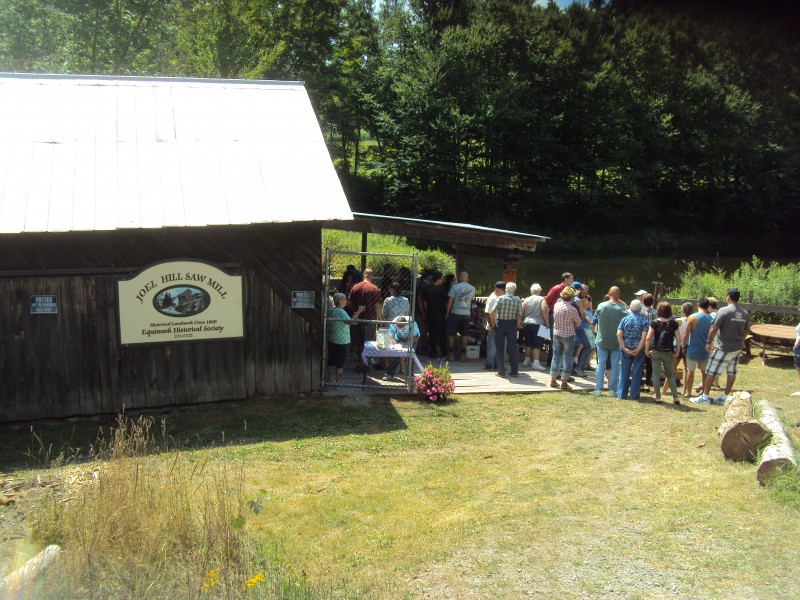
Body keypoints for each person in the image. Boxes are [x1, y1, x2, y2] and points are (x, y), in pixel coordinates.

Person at [691, 288, 750, 405]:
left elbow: (714, 327)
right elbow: (746, 330)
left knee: (710, 371)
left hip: (723, 347)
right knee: (731, 372)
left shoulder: (724, 311)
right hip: (737, 347)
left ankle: (705, 397)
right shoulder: (744, 313)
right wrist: (741, 340)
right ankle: (725, 396)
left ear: (729, 297)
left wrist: (709, 341)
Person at [592, 286, 628, 397]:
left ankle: (598, 389)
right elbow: (629, 309)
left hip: (602, 340)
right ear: (619, 295)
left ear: (609, 293)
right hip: (616, 342)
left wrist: (596, 334)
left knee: (600, 365)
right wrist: (620, 300)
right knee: (615, 366)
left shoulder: (601, 306)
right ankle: (612, 390)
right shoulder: (623, 309)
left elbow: (593, 323)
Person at [646, 301, 682, 404]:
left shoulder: (654, 323)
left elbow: (648, 338)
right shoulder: (674, 324)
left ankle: (658, 397)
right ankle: (675, 397)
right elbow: (678, 339)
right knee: (670, 374)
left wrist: (647, 350)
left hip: (656, 351)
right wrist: (677, 352)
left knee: (656, 374)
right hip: (668, 352)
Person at [348, 268, 383, 372]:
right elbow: (377, 305)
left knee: (358, 342)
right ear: (372, 276)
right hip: (369, 319)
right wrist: (380, 319)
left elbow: (350, 303)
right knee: (367, 342)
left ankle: (360, 362)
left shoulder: (355, 287)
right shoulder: (374, 289)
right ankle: (364, 363)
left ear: (364, 275)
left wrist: (354, 314)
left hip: (357, 319)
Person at [327, 293, 364, 386]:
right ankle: (338, 382)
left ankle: (330, 380)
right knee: (340, 361)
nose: (346, 301)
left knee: (331, 359)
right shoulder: (341, 312)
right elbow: (351, 322)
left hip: (332, 338)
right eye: (344, 299)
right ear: (340, 301)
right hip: (341, 340)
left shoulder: (330, 310)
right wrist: (358, 312)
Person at [616, 300, 649, 400]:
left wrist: (624, 348)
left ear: (630, 308)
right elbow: (644, 337)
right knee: (637, 372)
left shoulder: (624, 319)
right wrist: (638, 349)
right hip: (638, 350)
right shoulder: (644, 321)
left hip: (626, 349)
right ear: (640, 309)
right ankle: (634, 395)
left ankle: (622, 394)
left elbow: (619, 334)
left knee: (624, 372)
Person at [549, 286, 580, 390]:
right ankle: (564, 381)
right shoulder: (572, 309)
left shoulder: (557, 305)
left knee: (556, 356)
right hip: (568, 334)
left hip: (556, 333)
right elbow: (578, 322)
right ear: (571, 297)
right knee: (567, 357)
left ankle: (553, 379)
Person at [682, 298, 713, 401]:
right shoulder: (711, 318)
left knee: (690, 370)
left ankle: (688, 392)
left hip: (693, 348)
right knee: (704, 372)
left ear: (698, 304)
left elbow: (686, 334)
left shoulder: (692, 317)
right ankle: (704, 391)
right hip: (705, 349)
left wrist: (684, 346)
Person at [490, 281, 522, 378]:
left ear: (506, 289)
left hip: (500, 323)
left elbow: (492, 312)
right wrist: (518, 324)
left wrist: (493, 324)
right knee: (512, 348)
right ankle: (514, 371)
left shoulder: (500, 298)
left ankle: (501, 371)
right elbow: (519, 315)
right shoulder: (517, 299)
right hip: (512, 324)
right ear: (514, 290)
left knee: (499, 348)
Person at [446, 271, 476, 361]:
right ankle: (463, 355)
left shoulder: (454, 287)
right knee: (465, 334)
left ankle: (451, 355)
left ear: (461, 277)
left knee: (451, 334)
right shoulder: (472, 288)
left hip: (455, 313)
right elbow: (470, 300)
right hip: (466, 314)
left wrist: (447, 313)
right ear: (467, 278)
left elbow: (450, 301)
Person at [545, 272, 574, 366]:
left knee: (562, 339)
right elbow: (547, 300)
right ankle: (551, 362)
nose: (572, 280)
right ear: (565, 279)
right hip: (554, 315)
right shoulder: (557, 288)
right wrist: (553, 310)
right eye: (571, 278)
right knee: (555, 339)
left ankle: (558, 364)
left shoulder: (570, 290)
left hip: (565, 316)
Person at [521, 283, 549, 371]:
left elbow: (522, 311)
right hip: (538, 323)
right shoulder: (542, 299)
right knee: (537, 344)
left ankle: (526, 360)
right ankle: (536, 363)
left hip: (527, 323)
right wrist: (547, 321)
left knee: (528, 343)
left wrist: (521, 320)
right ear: (539, 291)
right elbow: (544, 310)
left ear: (531, 291)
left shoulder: (526, 299)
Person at [423, 271, 449, 359]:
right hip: (440, 314)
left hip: (431, 314)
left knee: (432, 334)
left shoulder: (428, 288)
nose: (442, 280)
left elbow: (425, 302)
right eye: (442, 279)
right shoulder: (442, 289)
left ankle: (432, 352)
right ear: (438, 279)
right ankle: (444, 353)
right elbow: (445, 303)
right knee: (442, 334)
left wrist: (427, 311)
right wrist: (447, 312)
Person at [484, 281, 506, 370]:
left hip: (499, 325)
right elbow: (487, 313)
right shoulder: (492, 298)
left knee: (499, 346)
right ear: (498, 289)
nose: (504, 292)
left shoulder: (499, 297)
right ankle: (489, 363)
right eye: (503, 290)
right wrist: (492, 327)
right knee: (492, 347)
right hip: (493, 326)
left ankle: (497, 364)